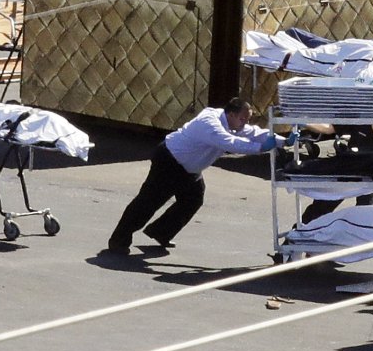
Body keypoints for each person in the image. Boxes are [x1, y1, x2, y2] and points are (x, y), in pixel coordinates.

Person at [105, 98, 295, 255]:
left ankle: (160, 232)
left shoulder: (233, 123)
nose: (245, 123)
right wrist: (261, 148)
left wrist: (282, 141)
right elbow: (230, 143)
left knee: (193, 199)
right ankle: (118, 241)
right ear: (231, 114)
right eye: (243, 118)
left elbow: (254, 133)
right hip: (169, 161)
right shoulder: (210, 123)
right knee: (148, 202)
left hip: (190, 169)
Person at [299, 123, 373, 224]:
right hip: (348, 171)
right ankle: (299, 233)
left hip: (370, 176)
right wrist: (302, 122)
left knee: (366, 211)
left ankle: (361, 240)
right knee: (322, 207)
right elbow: (328, 129)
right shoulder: (358, 121)